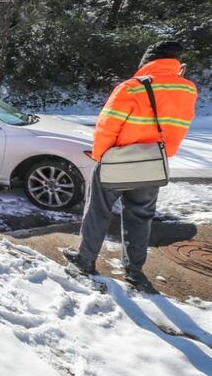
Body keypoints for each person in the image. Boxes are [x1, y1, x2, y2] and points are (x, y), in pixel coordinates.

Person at [63, 41, 197, 290]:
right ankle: (135, 271)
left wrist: (101, 156)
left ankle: (85, 260)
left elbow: (107, 126)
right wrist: (161, 155)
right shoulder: (188, 90)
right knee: (141, 217)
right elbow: (178, 127)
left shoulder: (131, 88)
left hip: (117, 159)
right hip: (152, 162)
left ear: (147, 62)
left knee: (98, 211)